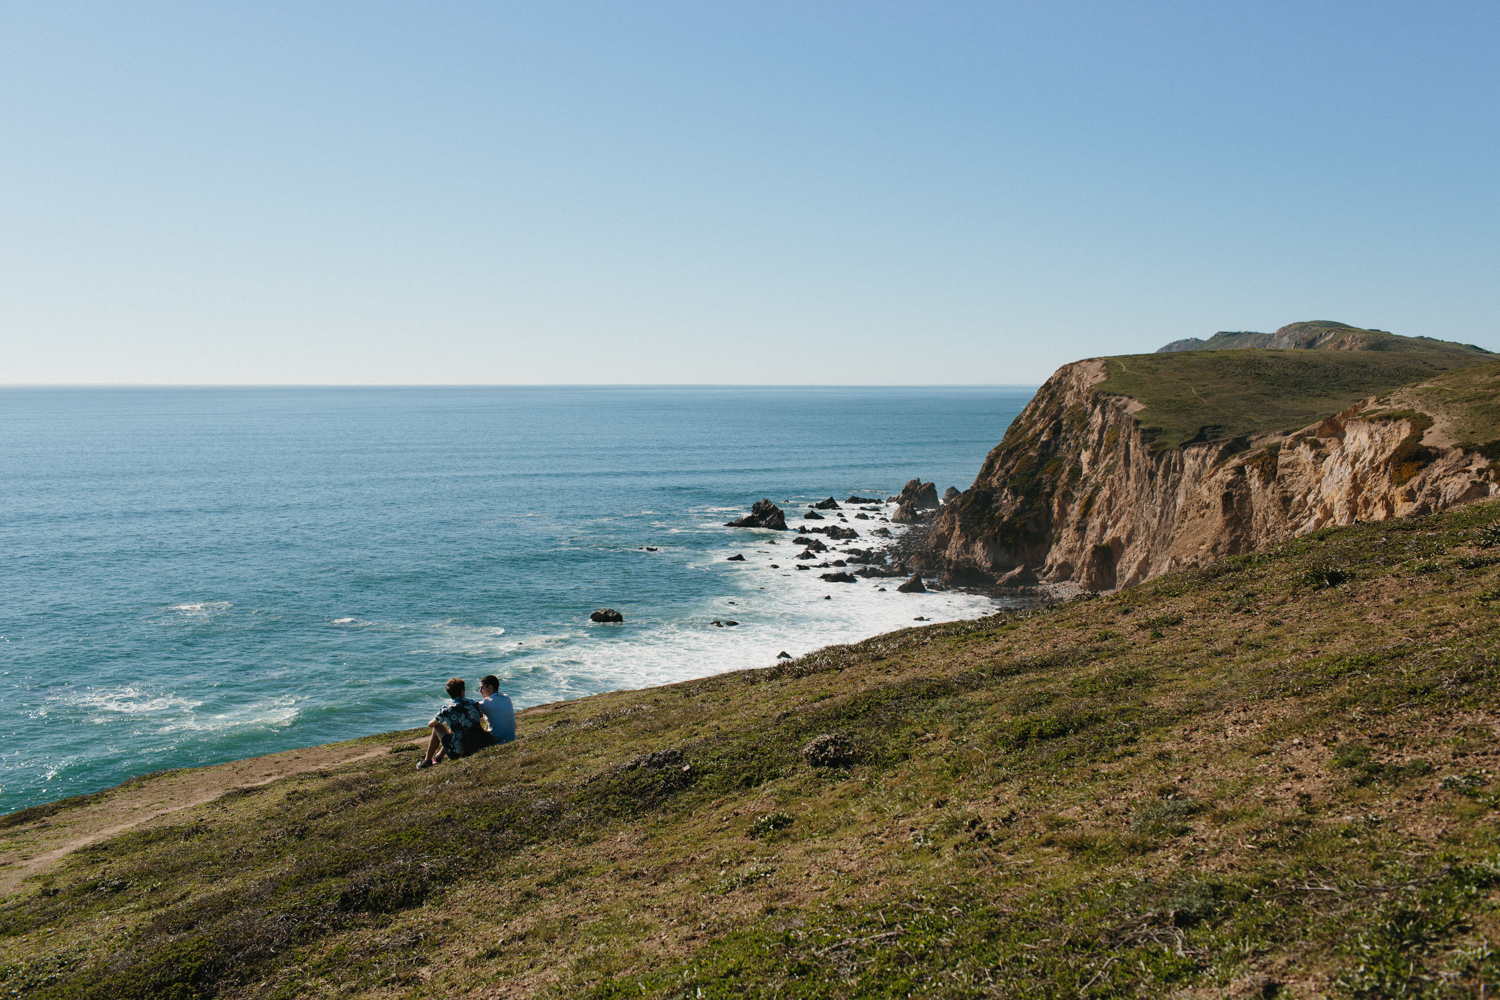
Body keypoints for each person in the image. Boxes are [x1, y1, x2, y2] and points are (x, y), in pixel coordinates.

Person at [417, 677, 495, 769]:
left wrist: (441, 719)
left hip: (458, 752)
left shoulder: (447, 709)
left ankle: (427, 761)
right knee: (459, 726)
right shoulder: (474, 704)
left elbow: (431, 724)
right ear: (462, 691)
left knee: (438, 727)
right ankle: (438, 757)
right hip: (479, 744)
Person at [477, 674, 516, 744]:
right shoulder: (507, 698)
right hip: (512, 738)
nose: (480, 691)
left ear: (490, 687)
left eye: (482, 688)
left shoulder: (486, 704)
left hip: (496, 741)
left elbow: (470, 708)